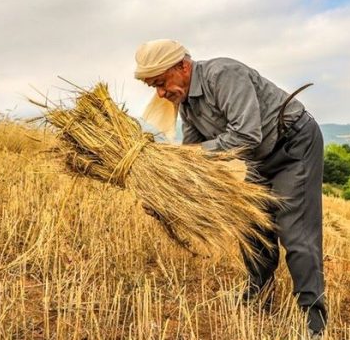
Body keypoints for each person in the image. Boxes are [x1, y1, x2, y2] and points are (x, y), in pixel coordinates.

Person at [134, 39, 327, 335]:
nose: (161, 93)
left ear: (182, 66)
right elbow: (194, 154)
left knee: (296, 231)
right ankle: (257, 293)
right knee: (252, 226)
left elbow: (246, 134)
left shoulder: (223, 75)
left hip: (292, 145)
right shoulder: (188, 104)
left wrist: (192, 155)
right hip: (258, 157)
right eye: (154, 88)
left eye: (161, 82)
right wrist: (166, 185)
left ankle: (313, 319)